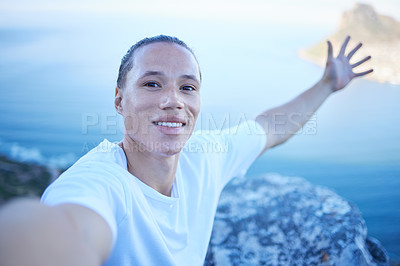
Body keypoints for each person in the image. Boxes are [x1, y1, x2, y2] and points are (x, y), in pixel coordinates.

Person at [0, 35, 372, 265]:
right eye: (152, 84)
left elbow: (269, 128)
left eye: (187, 88)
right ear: (119, 100)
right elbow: (70, 232)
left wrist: (327, 84)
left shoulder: (204, 155)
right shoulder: (100, 184)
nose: (173, 101)